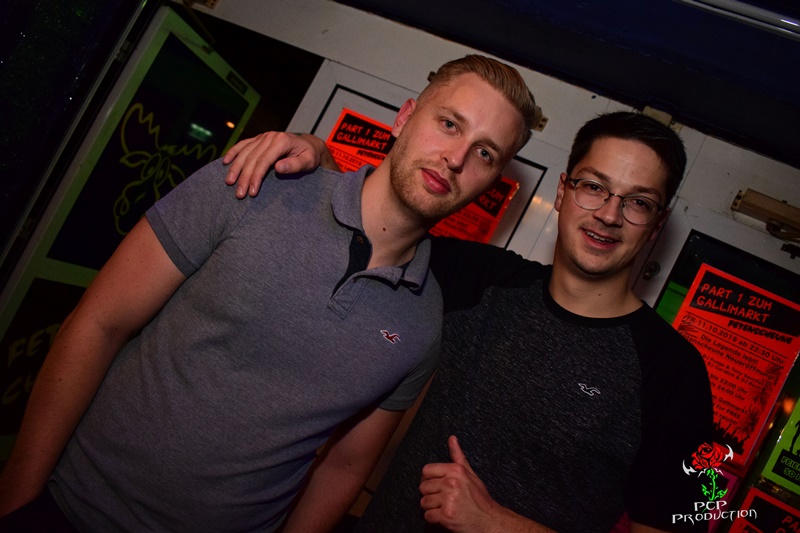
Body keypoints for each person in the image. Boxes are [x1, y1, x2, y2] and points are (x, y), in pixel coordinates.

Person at [0, 55, 539, 532]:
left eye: (484, 153)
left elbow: (344, 467)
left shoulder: (422, 322)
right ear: (404, 117)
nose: (455, 158)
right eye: (448, 124)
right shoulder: (253, 185)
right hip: (71, 509)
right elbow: (99, 324)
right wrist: (17, 501)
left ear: (491, 181)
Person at [221, 111, 714, 532]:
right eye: (593, 187)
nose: (609, 214)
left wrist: (496, 524)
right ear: (563, 192)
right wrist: (312, 152)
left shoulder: (673, 373)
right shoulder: (480, 280)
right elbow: (372, 221)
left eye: (638, 202)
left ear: (657, 224)